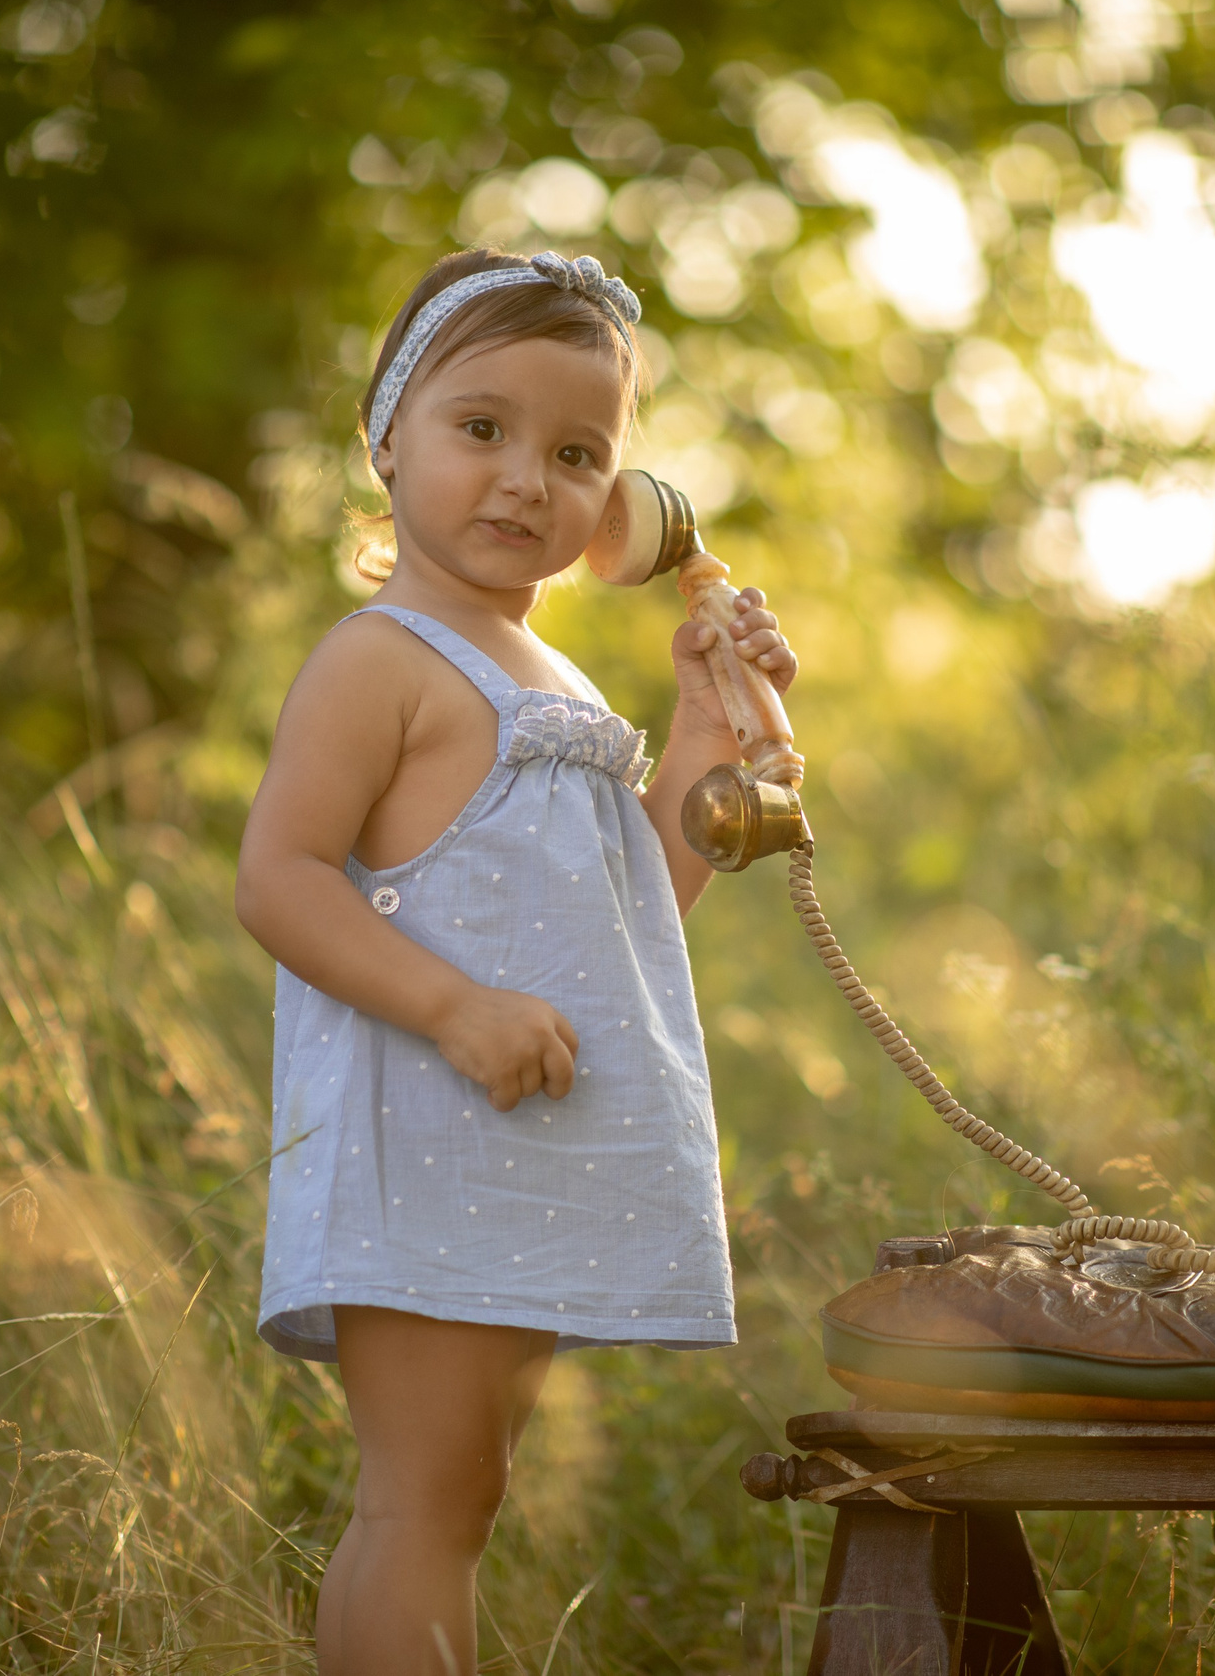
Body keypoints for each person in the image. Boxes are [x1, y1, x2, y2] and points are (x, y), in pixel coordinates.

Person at [233, 248, 797, 1674]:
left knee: (457, 1498)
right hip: (430, 1139)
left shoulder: (564, 681)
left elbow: (636, 915)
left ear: (624, 503)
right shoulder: (385, 658)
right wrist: (454, 1004)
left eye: (575, 452)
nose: (523, 480)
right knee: (424, 1500)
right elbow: (279, 879)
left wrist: (709, 729)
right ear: (388, 439)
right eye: (479, 430)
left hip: (516, 1158)